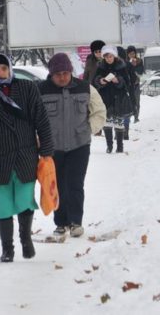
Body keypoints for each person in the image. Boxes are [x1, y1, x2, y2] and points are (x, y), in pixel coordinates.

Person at [0, 53, 54, 263]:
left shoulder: (27, 88)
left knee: (25, 200)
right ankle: (7, 248)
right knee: (2, 204)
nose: (0, 73)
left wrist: (46, 149)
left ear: (10, 69)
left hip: (25, 154)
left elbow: (41, 119)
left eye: (4, 69)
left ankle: (26, 239)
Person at [38, 53, 106, 239]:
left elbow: (99, 111)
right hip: (52, 147)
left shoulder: (85, 88)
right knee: (57, 185)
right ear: (51, 74)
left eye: (65, 73)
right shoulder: (41, 90)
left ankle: (76, 222)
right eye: (58, 74)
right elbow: (32, 116)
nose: (62, 77)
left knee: (75, 184)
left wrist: (88, 129)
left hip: (79, 145)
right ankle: (61, 223)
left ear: (71, 72)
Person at [93, 45, 133, 153]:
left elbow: (127, 82)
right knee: (107, 123)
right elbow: (94, 81)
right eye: (106, 57)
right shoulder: (101, 67)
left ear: (114, 56)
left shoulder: (121, 66)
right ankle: (109, 146)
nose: (108, 59)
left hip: (119, 98)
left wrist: (118, 80)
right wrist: (100, 81)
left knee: (119, 122)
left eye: (110, 56)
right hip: (105, 98)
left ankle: (120, 146)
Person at [117, 46, 136, 140]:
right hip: (127, 92)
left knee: (118, 113)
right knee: (126, 113)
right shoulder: (128, 64)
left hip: (117, 93)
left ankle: (119, 132)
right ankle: (125, 132)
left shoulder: (114, 65)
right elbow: (133, 79)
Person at [126, 45, 144, 122]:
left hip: (136, 84)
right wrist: (129, 65)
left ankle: (136, 117)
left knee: (137, 101)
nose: (132, 55)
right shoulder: (125, 62)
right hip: (128, 85)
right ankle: (128, 117)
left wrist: (135, 66)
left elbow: (141, 72)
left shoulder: (139, 61)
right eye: (130, 54)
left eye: (133, 53)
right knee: (128, 102)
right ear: (127, 54)